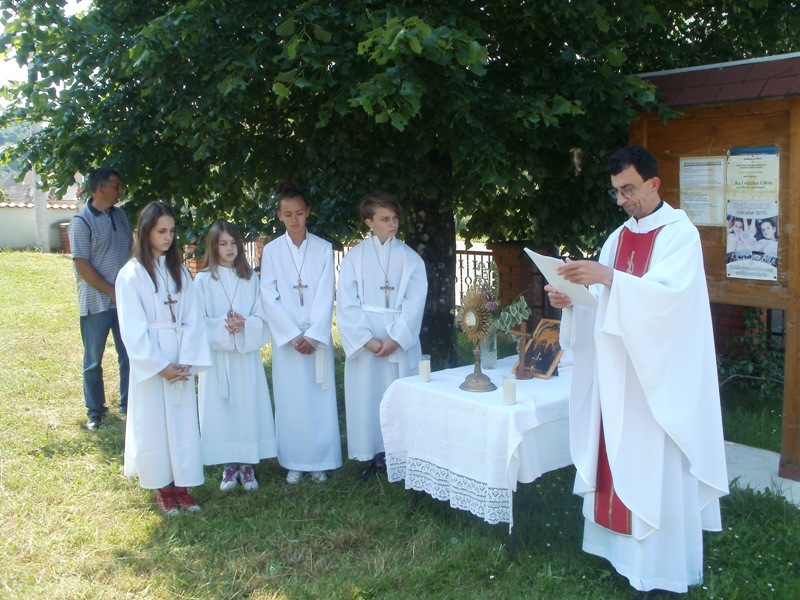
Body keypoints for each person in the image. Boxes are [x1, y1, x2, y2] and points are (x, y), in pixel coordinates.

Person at [545, 146, 728, 597]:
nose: (623, 200)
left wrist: (607, 279)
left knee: (654, 461)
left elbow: (668, 302)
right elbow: (604, 304)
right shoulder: (617, 236)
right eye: (616, 193)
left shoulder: (678, 235)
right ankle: (619, 555)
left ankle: (661, 567)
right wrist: (572, 301)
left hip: (658, 379)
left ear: (653, 184)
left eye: (629, 189)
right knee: (616, 456)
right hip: (617, 372)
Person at [115, 201, 211, 516]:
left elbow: (194, 318)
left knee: (182, 424)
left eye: (171, 231)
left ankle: (182, 485)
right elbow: (133, 330)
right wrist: (161, 366)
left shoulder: (180, 271)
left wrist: (186, 361)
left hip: (180, 358)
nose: (168, 237)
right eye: (161, 231)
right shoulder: (130, 275)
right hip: (154, 364)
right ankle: (162, 488)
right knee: (155, 424)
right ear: (145, 232)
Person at [337, 192, 428, 480]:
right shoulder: (354, 258)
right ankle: (373, 453)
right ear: (369, 222)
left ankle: (401, 454)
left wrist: (396, 339)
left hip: (396, 341)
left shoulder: (410, 259)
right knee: (368, 396)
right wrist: (366, 339)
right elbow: (346, 302)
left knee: (398, 395)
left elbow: (415, 303)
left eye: (395, 218)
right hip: (367, 344)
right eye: (385, 219)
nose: (393, 224)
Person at [260, 182, 342, 484]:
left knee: (318, 398)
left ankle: (320, 459)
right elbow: (268, 296)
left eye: (299, 213)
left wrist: (315, 334)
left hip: (315, 336)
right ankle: (294, 460)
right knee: (291, 398)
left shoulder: (323, 248)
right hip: (289, 340)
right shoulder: (271, 252)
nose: (294, 220)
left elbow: (325, 292)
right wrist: (294, 335)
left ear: (308, 212)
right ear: (279, 216)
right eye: (287, 214)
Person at [195, 221, 277, 492]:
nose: (229, 248)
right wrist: (222, 325)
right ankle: (229, 465)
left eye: (233, 243)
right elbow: (197, 320)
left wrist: (245, 325)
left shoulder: (251, 278)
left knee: (246, 407)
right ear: (213, 246)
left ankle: (248, 465)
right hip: (219, 359)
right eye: (223, 243)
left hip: (244, 357)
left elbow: (262, 315)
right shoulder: (204, 279)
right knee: (222, 410)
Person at [68, 167, 133, 430]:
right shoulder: (81, 221)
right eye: (116, 185)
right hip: (95, 303)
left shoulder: (122, 216)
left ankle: (130, 406)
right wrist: (110, 290)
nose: (120, 190)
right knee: (93, 360)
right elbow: (82, 265)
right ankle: (96, 412)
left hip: (125, 301)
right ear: (100, 188)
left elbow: (130, 252)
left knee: (128, 353)